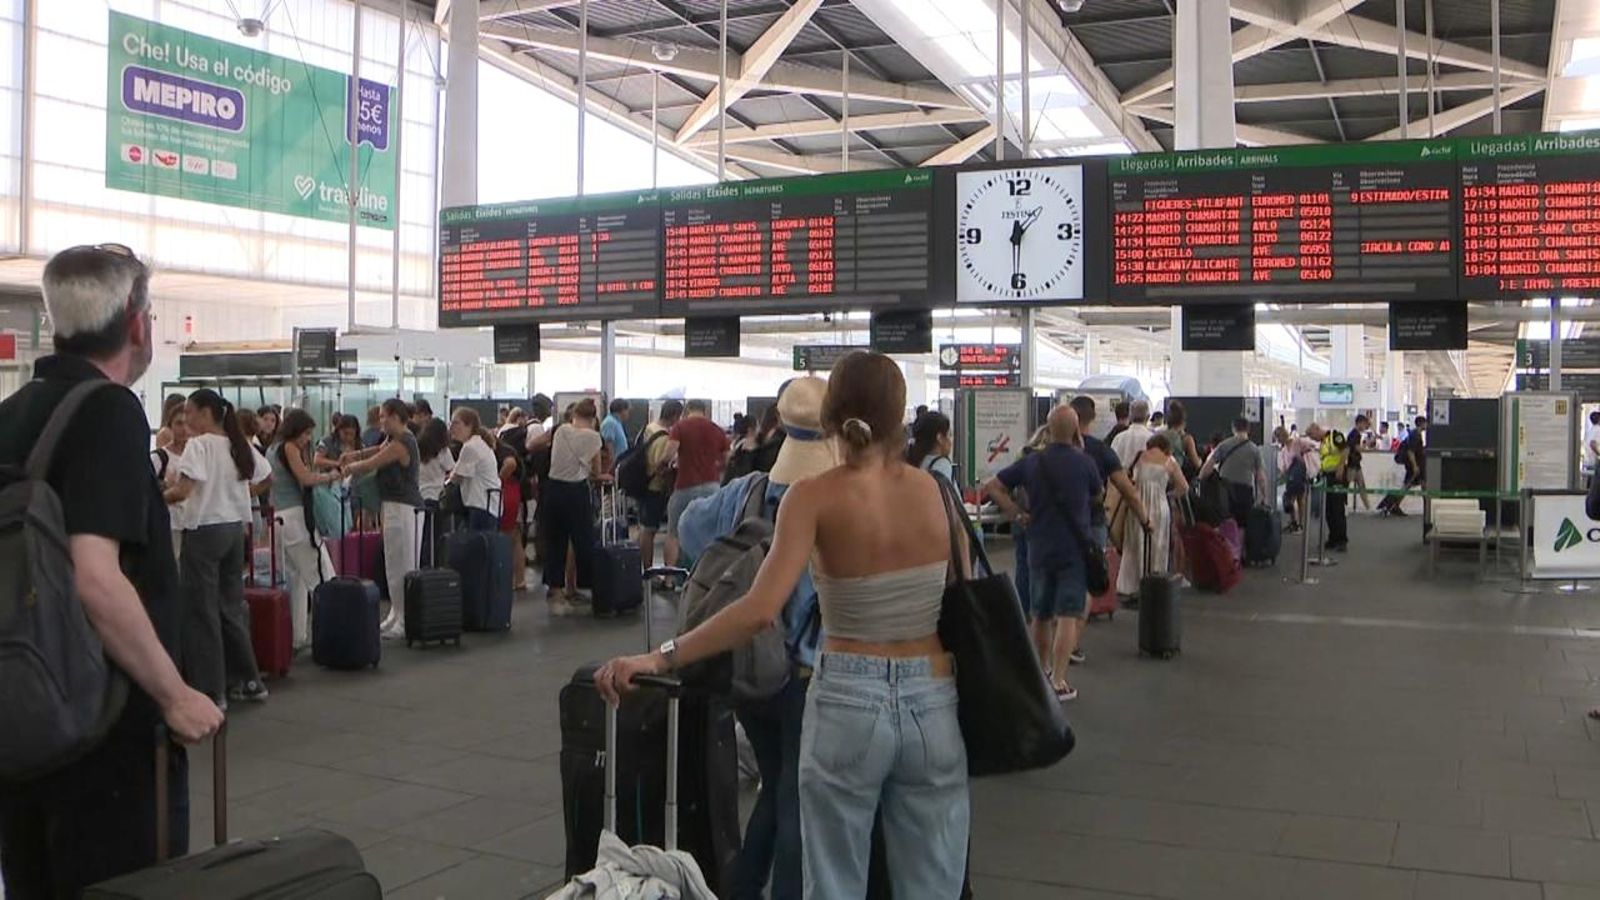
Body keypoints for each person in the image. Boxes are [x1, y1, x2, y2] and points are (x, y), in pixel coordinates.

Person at [595, 351, 968, 899]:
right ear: (901, 417)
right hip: (931, 700)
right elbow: (961, 594)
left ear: (832, 418)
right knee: (934, 885)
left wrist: (661, 655)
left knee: (833, 880)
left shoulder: (811, 496)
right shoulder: (937, 492)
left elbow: (758, 610)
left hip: (847, 699)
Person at [0, 244, 223, 896]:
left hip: (27, 715)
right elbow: (95, 574)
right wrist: (175, 695)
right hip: (106, 728)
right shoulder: (109, 410)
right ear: (136, 323)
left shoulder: (14, 412)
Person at [675, 377, 836, 900]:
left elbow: (689, 530)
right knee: (796, 801)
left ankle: (742, 887)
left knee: (776, 782)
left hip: (746, 666)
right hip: (806, 674)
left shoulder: (747, 492)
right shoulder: (834, 498)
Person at [986, 406, 1103, 702]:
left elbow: (994, 487)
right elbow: (1097, 494)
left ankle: (1041, 673)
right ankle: (1059, 680)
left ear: (1048, 430)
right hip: (1074, 549)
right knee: (1067, 615)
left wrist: (1016, 513)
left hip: (1039, 546)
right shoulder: (1085, 463)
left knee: (1041, 613)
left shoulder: (1031, 462)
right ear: (1076, 431)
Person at [165, 388, 272, 705]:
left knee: (201, 612)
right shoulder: (236, 444)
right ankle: (249, 680)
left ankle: (212, 690)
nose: (185, 418)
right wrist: (238, 495)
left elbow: (183, 491)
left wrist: (155, 496)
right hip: (234, 530)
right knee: (231, 607)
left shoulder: (198, 446)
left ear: (205, 413)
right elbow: (267, 477)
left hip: (204, 531)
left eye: (189, 412)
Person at [1068, 396, 1151, 664]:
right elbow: (1126, 488)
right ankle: (1070, 644)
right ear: (1092, 418)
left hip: (1056, 526)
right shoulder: (1099, 450)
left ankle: (1051, 646)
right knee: (1086, 584)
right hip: (1091, 523)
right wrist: (1145, 518)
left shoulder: (1048, 450)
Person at [342, 398, 424, 638]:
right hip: (391, 505)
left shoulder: (404, 442)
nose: (380, 422)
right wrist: (353, 455)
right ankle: (396, 613)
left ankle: (406, 618)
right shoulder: (392, 439)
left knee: (405, 564)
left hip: (405, 507)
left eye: (383, 417)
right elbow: (376, 451)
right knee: (392, 563)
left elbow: (373, 462)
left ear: (396, 417)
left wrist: (350, 467)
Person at [267, 409, 343, 651]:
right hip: (296, 519)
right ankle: (333, 637)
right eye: (306, 433)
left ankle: (298, 637)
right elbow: (306, 479)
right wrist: (331, 476)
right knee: (321, 577)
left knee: (296, 582)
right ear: (296, 430)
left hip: (278, 519)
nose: (308, 439)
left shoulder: (271, 449)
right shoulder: (289, 447)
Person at [544, 399, 607, 615]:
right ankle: (591, 586)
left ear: (574, 415)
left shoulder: (561, 431)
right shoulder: (593, 437)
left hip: (553, 490)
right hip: (576, 492)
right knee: (583, 540)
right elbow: (597, 472)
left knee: (555, 541)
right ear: (593, 418)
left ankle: (556, 590)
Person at [1117, 434, 1189, 597]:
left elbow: (1126, 479)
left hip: (1138, 506)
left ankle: (1133, 585)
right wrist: (1168, 495)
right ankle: (1154, 585)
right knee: (1158, 545)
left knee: (1134, 543)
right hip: (1160, 507)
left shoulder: (1139, 457)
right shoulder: (1170, 461)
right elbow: (1184, 487)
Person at [663, 399, 731, 568]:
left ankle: (669, 576)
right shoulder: (717, 429)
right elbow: (728, 458)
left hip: (685, 486)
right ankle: (707, 574)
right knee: (711, 533)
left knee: (673, 533)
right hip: (712, 487)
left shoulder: (679, 427)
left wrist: (663, 464)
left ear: (687, 411)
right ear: (705, 411)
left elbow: (669, 453)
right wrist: (716, 466)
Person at [1197, 417, 1268, 530]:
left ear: (1233, 429)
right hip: (1245, 491)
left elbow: (1207, 467)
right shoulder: (1254, 450)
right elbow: (1261, 477)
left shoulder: (1223, 445)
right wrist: (1264, 496)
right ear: (1248, 429)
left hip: (1224, 491)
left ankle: (1228, 541)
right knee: (1243, 526)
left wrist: (1199, 481)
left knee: (1226, 524)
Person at [637, 400, 683, 575]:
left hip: (643, 484)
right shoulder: (664, 437)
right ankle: (649, 571)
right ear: (675, 415)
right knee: (650, 530)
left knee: (645, 528)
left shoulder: (649, 428)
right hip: (656, 488)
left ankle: (645, 569)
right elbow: (661, 466)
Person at [448, 407, 503, 532]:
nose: (451, 427)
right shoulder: (480, 444)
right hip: (489, 505)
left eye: (456, 423)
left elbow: (456, 477)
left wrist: (449, 477)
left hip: (480, 506)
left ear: (469, 426)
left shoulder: (470, 447)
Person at [1379, 416, 1428, 518]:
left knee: (1409, 486)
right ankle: (1393, 505)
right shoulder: (1415, 435)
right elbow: (1410, 452)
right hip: (1414, 465)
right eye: (1425, 423)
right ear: (1421, 423)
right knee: (1410, 486)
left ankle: (1395, 505)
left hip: (1417, 465)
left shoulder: (1416, 434)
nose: (1426, 425)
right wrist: (1415, 466)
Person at [1276, 426, 1320, 532]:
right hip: (1292, 476)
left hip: (1301, 475)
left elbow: (1314, 446)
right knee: (1292, 499)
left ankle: (1300, 523)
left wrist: (1305, 452)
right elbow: (1284, 467)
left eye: (1279, 437)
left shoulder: (1298, 442)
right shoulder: (1284, 450)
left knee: (1300, 499)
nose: (1278, 440)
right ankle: (1294, 522)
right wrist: (1281, 475)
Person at [906, 410, 955, 486]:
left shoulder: (915, 462)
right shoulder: (942, 465)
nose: (951, 441)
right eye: (949, 435)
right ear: (940, 438)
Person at [1110, 398, 1156, 469]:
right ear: (1148, 417)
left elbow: (1112, 464)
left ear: (1130, 417)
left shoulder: (1118, 438)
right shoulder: (1153, 439)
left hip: (1122, 475)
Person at [1160, 401, 1200, 481]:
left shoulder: (1159, 436)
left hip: (1160, 477)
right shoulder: (1186, 439)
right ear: (1183, 420)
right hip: (1177, 478)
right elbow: (1196, 463)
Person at [1347, 414, 1373, 511]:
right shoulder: (1354, 434)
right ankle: (1343, 505)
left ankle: (1368, 507)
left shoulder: (1356, 434)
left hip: (1356, 463)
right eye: (1364, 424)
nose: (1365, 426)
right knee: (1346, 485)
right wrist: (1366, 445)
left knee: (1362, 485)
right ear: (1360, 423)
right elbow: (1357, 448)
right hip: (1352, 464)